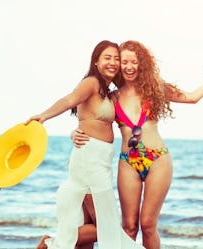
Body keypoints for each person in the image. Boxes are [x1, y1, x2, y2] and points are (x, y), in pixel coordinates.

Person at [72, 40, 203, 249]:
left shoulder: (155, 89)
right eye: (124, 62)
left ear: (142, 64)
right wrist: (74, 133)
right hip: (128, 162)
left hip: (157, 159)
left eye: (134, 62)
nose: (129, 67)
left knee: (148, 225)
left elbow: (192, 97)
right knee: (129, 226)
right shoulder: (112, 98)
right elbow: (93, 120)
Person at [27, 40, 144, 249]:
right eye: (107, 58)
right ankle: (51, 243)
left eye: (116, 58)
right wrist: (44, 116)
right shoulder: (91, 82)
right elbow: (70, 100)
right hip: (89, 161)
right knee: (105, 226)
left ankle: (56, 242)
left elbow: (89, 119)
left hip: (100, 160)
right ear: (96, 62)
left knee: (90, 223)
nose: (113, 62)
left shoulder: (108, 92)